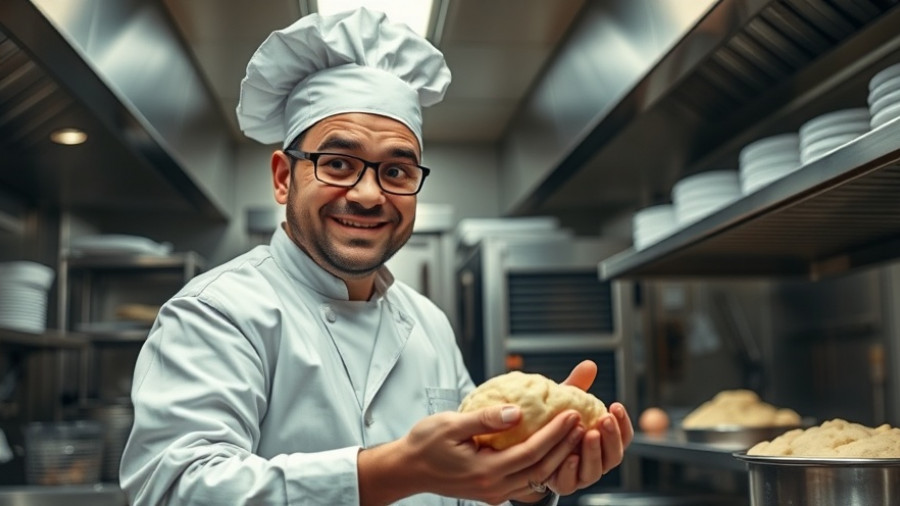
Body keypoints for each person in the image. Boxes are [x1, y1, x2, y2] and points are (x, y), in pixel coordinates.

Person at [118, 7, 633, 506]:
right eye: (338, 163)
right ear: (282, 177)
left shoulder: (428, 322)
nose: (368, 194)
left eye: (396, 171)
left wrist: (529, 481)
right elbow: (172, 489)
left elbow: (471, 488)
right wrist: (391, 472)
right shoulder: (217, 311)